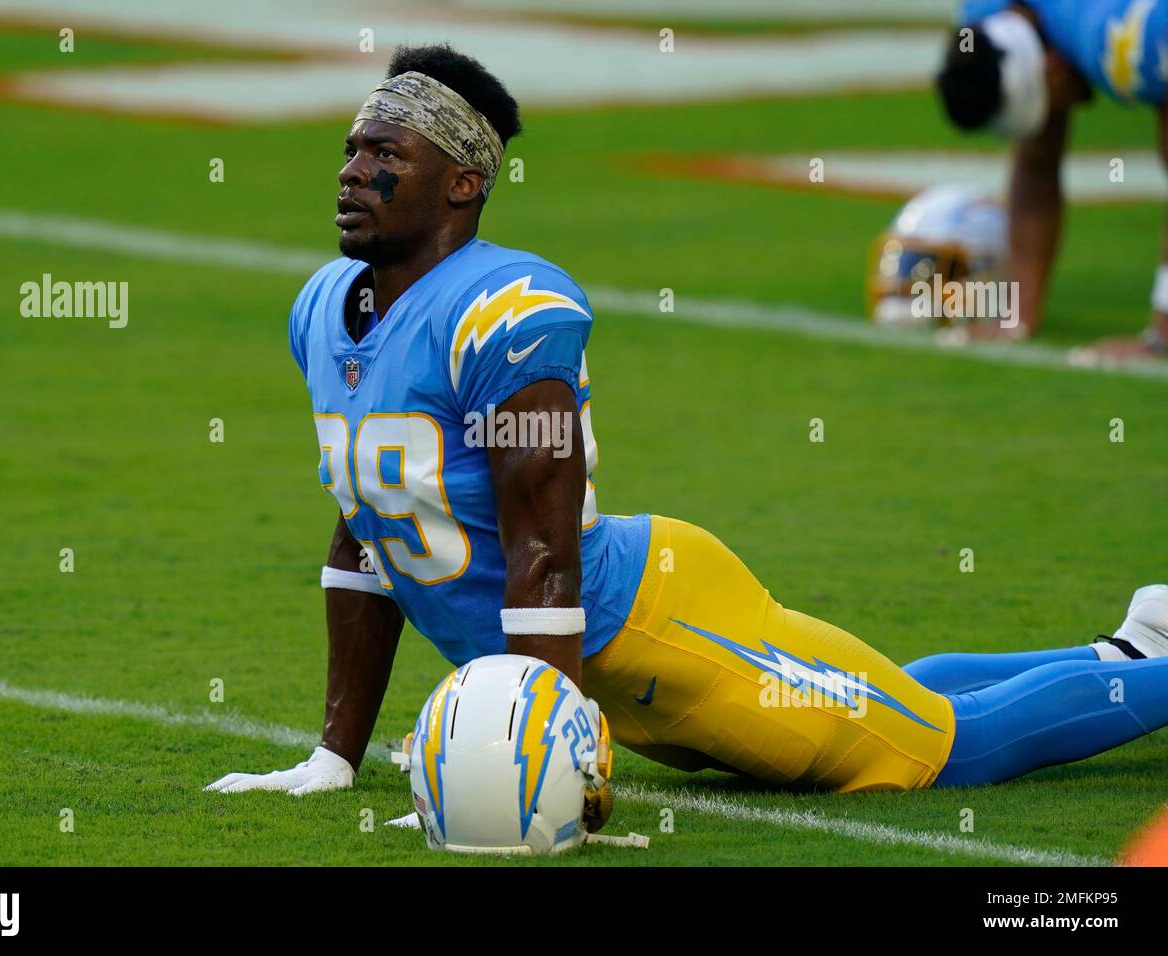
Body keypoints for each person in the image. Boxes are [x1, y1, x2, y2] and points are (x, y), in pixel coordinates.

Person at [208, 43, 1168, 802]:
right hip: (612, 672)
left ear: (462, 184)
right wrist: (335, 755)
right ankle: (1132, 646)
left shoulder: (501, 312)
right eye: (350, 149)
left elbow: (544, 549)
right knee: (887, 700)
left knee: (933, 751)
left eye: (386, 155)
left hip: (658, 626)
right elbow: (365, 526)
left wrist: (548, 750)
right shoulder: (325, 308)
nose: (353, 172)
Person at [936, 1, 1168, 359]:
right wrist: (1017, 317)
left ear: (1052, 71)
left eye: (1046, 102)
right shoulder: (984, 20)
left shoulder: (1123, 34)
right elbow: (1036, 163)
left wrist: (1162, 336)